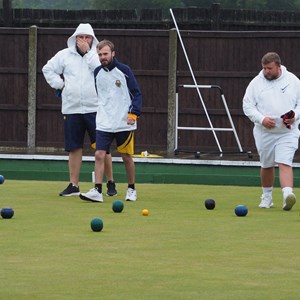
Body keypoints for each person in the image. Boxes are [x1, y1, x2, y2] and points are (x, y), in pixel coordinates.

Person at [42, 24, 117, 197]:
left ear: (92, 39)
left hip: (95, 109)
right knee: (74, 147)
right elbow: (47, 69)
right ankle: (74, 185)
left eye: (87, 37)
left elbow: (101, 70)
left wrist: (89, 53)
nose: (84, 40)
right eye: (80, 37)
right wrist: (60, 85)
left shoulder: (97, 57)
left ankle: (110, 182)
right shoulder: (64, 55)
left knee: (102, 148)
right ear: (75, 38)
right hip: (72, 108)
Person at [80, 39, 142, 203]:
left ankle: (131, 189)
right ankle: (97, 191)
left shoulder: (125, 70)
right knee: (99, 154)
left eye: (105, 54)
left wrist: (133, 114)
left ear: (113, 54)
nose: (102, 57)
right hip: (104, 122)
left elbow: (136, 94)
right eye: (100, 54)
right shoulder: (97, 72)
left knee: (126, 156)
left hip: (124, 122)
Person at [243, 52, 300, 211]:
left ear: (278, 66)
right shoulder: (256, 83)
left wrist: (295, 116)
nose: (266, 71)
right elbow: (247, 106)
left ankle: (287, 195)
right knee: (267, 165)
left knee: (284, 162)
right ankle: (267, 197)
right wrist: (261, 119)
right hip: (264, 133)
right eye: (264, 68)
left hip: (288, 132)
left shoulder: (293, 81)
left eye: (269, 68)